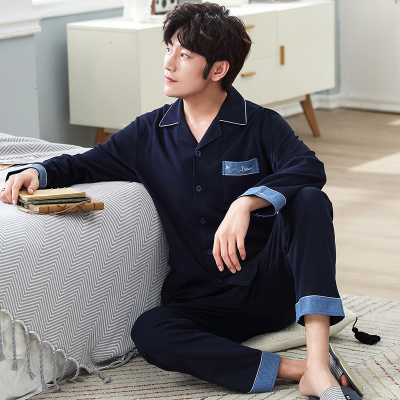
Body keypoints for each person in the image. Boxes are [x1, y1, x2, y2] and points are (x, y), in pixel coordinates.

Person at [0, 3, 363, 399]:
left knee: (309, 200)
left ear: (218, 69)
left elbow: (308, 167)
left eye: (184, 55)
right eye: (169, 49)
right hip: (202, 301)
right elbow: (86, 163)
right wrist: (38, 171)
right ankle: (301, 370)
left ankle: (317, 358)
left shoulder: (261, 124)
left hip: (268, 287)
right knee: (150, 332)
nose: (168, 63)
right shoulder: (149, 132)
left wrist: (246, 202)